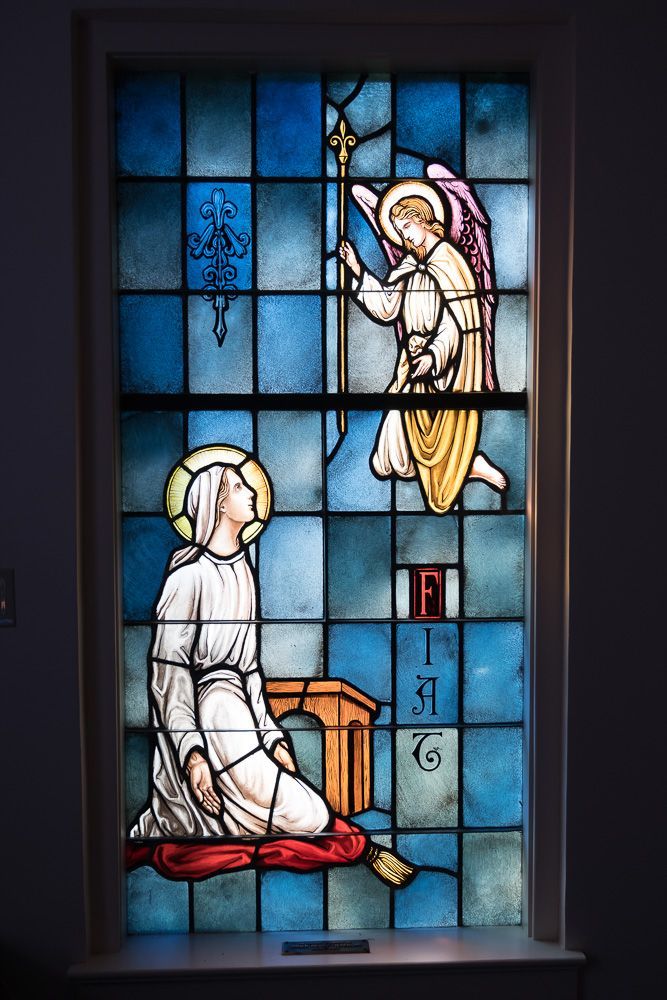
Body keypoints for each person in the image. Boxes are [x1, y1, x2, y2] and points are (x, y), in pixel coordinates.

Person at [128, 460, 415, 887]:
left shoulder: (243, 572)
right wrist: (192, 754)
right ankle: (344, 844)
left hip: (240, 710)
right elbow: (169, 673)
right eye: (240, 485)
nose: (252, 492)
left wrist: (272, 736)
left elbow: (249, 670)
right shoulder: (188, 578)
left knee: (309, 811)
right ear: (218, 504)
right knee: (308, 815)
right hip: (211, 715)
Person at [339, 188, 507, 513]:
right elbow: (387, 307)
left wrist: (434, 356)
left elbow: (458, 324)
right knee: (389, 458)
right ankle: (464, 465)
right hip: (412, 364)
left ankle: (469, 462)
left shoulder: (450, 262)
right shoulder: (408, 266)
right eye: (398, 233)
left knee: (432, 442)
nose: (402, 238)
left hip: (446, 368)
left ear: (423, 220)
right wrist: (357, 270)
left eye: (405, 228)